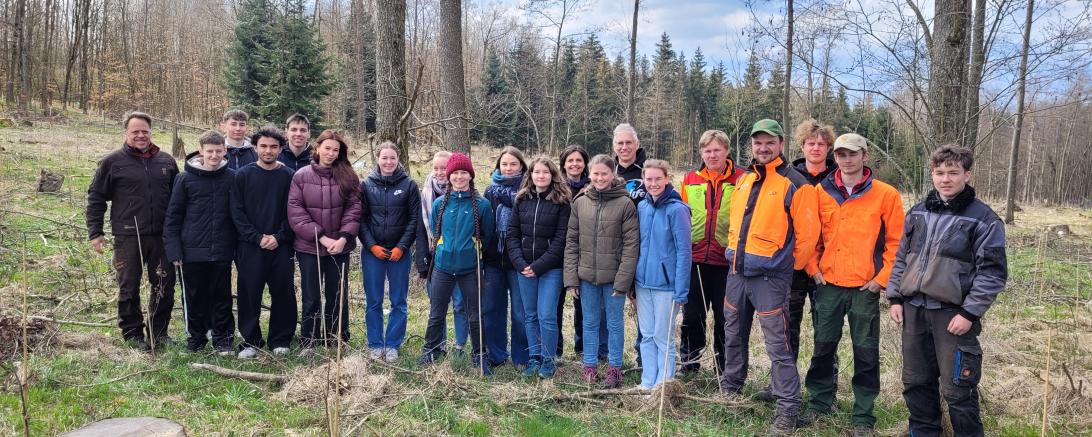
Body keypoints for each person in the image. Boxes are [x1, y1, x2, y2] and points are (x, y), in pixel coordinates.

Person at [886, 145, 1007, 437]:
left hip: (953, 317)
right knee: (916, 382)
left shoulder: (984, 219)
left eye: (953, 172)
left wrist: (969, 312)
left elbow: (992, 273)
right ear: (932, 175)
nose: (946, 179)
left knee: (957, 388)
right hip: (914, 311)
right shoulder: (917, 212)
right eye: (940, 173)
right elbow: (902, 257)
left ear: (967, 174)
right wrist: (895, 297)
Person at [797, 133, 905, 436]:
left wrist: (880, 280)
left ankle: (863, 416)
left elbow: (897, 244)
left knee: (866, 352)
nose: (847, 159)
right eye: (842, 154)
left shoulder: (886, 195)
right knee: (822, 349)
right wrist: (812, 267)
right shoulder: (820, 191)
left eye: (853, 154)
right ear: (836, 157)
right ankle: (818, 404)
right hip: (828, 285)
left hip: (864, 288)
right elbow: (809, 234)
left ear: (865, 156)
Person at [720, 119, 820, 434]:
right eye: (757, 143)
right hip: (737, 273)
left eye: (769, 142)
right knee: (733, 334)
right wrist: (732, 252)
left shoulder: (796, 183)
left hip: (770, 279)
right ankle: (730, 390)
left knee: (778, 345)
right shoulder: (745, 179)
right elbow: (736, 224)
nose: (763, 148)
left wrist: (783, 267)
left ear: (781, 143)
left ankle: (787, 411)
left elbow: (808, 236)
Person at [755, 118, 839, 401]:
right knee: (785, 329)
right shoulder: (789, 175)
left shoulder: (838, 179)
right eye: (811, 143)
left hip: (827, 269)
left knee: (825, 332)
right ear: (801, 145)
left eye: (822, 144)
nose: (816, 148)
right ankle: (781, 386)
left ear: (829, 148)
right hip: (790, 266)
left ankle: (822, 393)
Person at [86, 111, 179, 351]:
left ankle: (159, 333)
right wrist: (95, 233)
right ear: (126, 133)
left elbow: (179, 200)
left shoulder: (166, 162)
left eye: (144, 131)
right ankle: (133, 334)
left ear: (151, 132)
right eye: (135, 132)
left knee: (164, 285)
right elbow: (96, 197)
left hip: (162, 236)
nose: (140, 136)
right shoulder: (112, 162)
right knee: (129, 286)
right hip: (128, 235)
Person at [564, 154, 640, 388]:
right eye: (595, 174)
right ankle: (589, 366)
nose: (599, 178)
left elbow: (631, 246)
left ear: (613, 174)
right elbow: (572, 241)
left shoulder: (625, 203)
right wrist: (571, 279)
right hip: (586, 277)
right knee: (589, 322)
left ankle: (615, 368)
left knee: (615, 324)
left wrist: (623, 281)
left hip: (614, 279)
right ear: (590, 174)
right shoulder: (581, 202)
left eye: (604, 174)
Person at [418, 153, 496, 376]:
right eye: (455, 173)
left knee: (474, 314)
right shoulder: (439, 204)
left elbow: (487, 236)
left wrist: (470, 252)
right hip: (442, 267)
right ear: (449, 176)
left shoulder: (482, 206)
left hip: (469, 269)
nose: (459, 177)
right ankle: (430, 351)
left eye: (464, 173)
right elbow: (436, 231)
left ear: (471, 176)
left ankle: (480, 356)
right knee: (436, 312)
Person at [288, 130, 362, 352]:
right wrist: (320, 236)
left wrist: (343, 237)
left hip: (339, 247)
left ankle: (337, 339)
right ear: (317, 148)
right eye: (327, 148)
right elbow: (296, 210)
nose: (331, 153)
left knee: (337, 295)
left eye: (336, 150)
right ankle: (309, 340)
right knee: (311, 296)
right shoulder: (301, 176)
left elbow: (354, 209)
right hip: (309, 247)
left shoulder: (348, 176)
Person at [164, 131, 237, 355]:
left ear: (225, 150)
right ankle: (196, 338)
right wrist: (174, 249)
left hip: (222, 250)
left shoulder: (233, 177)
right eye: (209, 151)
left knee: (222, 296)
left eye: (218, 151)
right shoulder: (184, 179)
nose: (214, 155)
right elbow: (173, 217)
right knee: (194, 296)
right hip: (191, 251)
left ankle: (223, 338)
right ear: (201, 151)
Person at [678, 129, 743, 375]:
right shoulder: (689, 179)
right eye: (707, 151)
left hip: (727, 262)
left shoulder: (742, 178)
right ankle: (689, 363)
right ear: (701, 152)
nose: (712, 155)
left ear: (727, 151)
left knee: (726, 318)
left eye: (717, 150)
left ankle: (723, 367)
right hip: (695, 260)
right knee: (692, 316)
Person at [231, 126, 297, 358]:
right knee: (249, 294)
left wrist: (279, 237)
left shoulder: (290, 176)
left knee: (283, 293)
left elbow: (295, 212)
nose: (268, 151)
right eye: (263, 146)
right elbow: (236, 213)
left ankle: (280, 339)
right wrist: (257, 238)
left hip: (282, 246)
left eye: (273, 147)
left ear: (281, 148)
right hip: (250, 247)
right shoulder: (242, 176)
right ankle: (251, 341)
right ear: (255, 147)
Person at [506, 157, 571, 378]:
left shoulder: (562, 202)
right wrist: (520, 263)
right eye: (536, 172)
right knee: (530, 315)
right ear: (530, 175)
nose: (540, 176)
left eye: (545, 172)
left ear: (553, 175)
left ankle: (548, 360)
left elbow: (561, 239)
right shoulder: (521, 199)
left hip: (551, 269)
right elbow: (512, 234)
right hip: (524, 268)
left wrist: (539, 266)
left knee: (546, 315)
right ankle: (534, 358)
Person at [360, 142, 421, 363]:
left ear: (398, 160)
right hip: (373, 252)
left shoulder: (409, 185)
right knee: (374, 300)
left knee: (399, 300)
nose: (388, 162)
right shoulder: (366, 185)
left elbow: (414, 220)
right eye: (384, 158)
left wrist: (402, 247)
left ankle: (393, 344)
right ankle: (375, 344)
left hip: (399, 253)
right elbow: (361, 219)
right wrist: (371, 246)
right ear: (378, 159)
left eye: (392, 158)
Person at [634, 159, 691, 389]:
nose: (653, 183)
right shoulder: (642, 207)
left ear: (667, 179)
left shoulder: (677, 210)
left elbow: (684, 252)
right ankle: (647, 381)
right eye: (649, 179)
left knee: (662, 335)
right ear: (643, 180)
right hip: (642, 282)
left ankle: (664, 384)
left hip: (666, 285)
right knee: (646, 334)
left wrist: (681, 289)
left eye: (658, 179)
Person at [415, 151, 470, 354]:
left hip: (461, 261)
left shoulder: (468, 195)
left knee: (460, 304)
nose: (439, 172)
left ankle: (460, 344)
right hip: (434, 258)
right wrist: (422, 259)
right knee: (438, 305)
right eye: (436, 168)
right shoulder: (426, 193)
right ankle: (439, 344)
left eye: (443, 168)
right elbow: (420, 229)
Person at [483, 147, 529, 368]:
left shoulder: (528, 192)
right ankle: (496, 354)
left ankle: (522, 357)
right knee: (492, 309)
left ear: (521, 166)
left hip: (519, 261)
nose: (509, 168)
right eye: (504, 164)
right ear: (498, 167)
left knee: (520, 313)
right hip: (493, 260)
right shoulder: (489, 192)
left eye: (513, 164)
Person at [558, 144, 605, 359]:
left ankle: (583, 347)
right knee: (555, 303)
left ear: (585, 163)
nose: (574, 164)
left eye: (578, 160)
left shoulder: (593, 186)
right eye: (570, 160)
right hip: (557, 252)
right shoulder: (555, 185)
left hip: (585, 252)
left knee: (583, 304)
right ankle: (556, 347)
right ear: (564, 163)